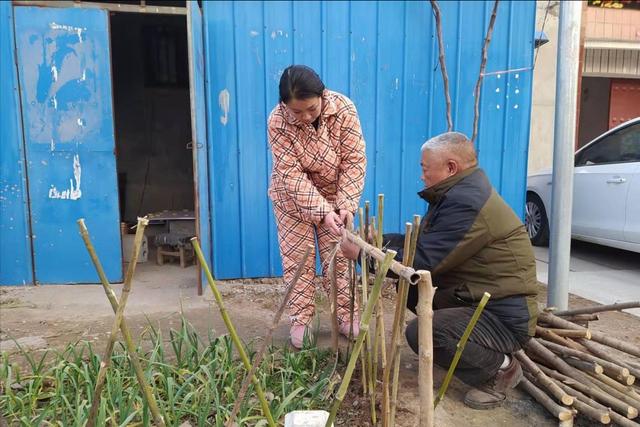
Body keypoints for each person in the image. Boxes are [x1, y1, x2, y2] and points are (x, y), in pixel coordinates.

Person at [341, 132, 539, 409]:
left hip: (504, 315)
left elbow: (422, 261)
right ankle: (470, 349)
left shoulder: (467, 202)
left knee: (423, 331)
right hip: (481, 299)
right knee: (409, 290)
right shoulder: (461, 193)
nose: (422, 176)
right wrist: (377, 242)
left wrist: (364, 255)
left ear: (450, 167)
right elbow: (423, 244)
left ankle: (501, 369)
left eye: (424, 168)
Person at [268, 65, 367, 349]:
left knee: (339, 255)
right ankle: (302, 319)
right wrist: (320, 211)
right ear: (284, 106)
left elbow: (354, 160)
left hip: (337, 196)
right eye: (296, 112)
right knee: (297, 259)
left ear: (322, 95)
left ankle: (346, 314)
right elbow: (290, 172)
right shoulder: (277, 121)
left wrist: (345, 204)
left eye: (310, 108)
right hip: (292, 198)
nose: (305, 117)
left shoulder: (344, 109)